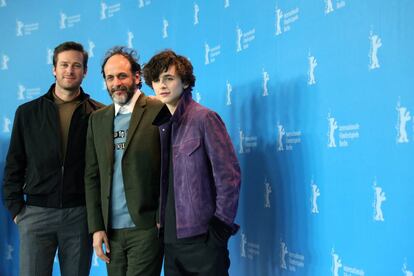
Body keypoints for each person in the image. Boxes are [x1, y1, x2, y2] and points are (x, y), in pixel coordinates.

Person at [2, 41, 103, 276]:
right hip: (36, 214)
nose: (70, 70)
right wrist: (18, 210)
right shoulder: (27, 113)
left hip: (79, 215)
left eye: (76, 65)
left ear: (85, 71)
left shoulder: (99, 114)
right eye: (64, 64)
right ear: (54, 69)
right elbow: (14, 165)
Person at [143, 49, 241, 275]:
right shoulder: (162, 126)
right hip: (171, 240)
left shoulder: (205, 118)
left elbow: (229, 177)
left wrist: (219, 229)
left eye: (169, 78)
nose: (162, 85)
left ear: (185, 82)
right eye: (157, 80)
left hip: (203, 239)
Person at [84, 46, 163, 276]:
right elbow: (91, 176)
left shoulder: (159, 109)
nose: (116, 83)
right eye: (110, 78)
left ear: (137, 77)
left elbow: (171, 168)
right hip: (111, 233)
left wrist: (161, 217)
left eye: (122, 76)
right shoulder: (97, 120)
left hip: (146, 228)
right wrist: (97, 227)